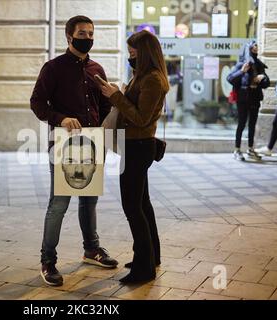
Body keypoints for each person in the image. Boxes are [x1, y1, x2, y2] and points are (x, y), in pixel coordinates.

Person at [30, 15, 118, 287]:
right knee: (59, 203)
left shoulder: (97, 69)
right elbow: (37, 103)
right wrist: (60, 118)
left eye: (91, 32)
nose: (88, 37)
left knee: (89, 200)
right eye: (82, 33)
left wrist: (107, 125)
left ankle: (91, 249)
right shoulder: (53, 68)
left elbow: (104, 107)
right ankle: (48, 261)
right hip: (64, 144)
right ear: (69, 37)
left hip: (93, 144)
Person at [98, 30, 169, 283]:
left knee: (132, 206)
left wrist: (115, 96)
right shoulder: (144, 76)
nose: (130, 58)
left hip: (138, 147)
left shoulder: (152, 79)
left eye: (133, 54)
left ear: (145, 54)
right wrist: (119, 92)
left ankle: (144, 268)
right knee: (142, 204)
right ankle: (150, 256)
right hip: (136, 145)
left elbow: (141, 117)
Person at [227, 41, 270, 161]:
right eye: (254, 45)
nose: (257, 47)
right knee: (241, 124)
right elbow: (229, 78)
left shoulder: (259, 64)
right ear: (249, 48)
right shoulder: (242, 64)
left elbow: (266, 83)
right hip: (243, 99)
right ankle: (237, 149)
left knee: (252, 125)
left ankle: (251, 149)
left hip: (255, 98)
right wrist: (242, 71)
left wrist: (262, 79)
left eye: (257, 45)